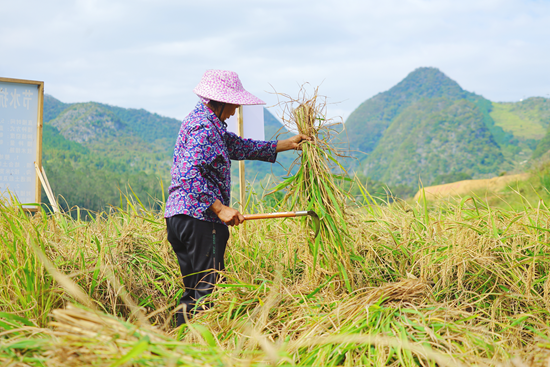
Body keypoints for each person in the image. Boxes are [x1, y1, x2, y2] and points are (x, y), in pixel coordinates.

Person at [165, 70, 309, 326]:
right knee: (208, 292)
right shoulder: (203, 127)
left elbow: (240, 146)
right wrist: (219, 208)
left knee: (193, 291)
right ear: (220, 101)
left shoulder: (206, 124)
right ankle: (202, 352)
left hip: (180, 217)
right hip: (200, 220)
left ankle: (180, 347)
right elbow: (188, 171)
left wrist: (285, 144)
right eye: (233, 104)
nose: (235, 110)